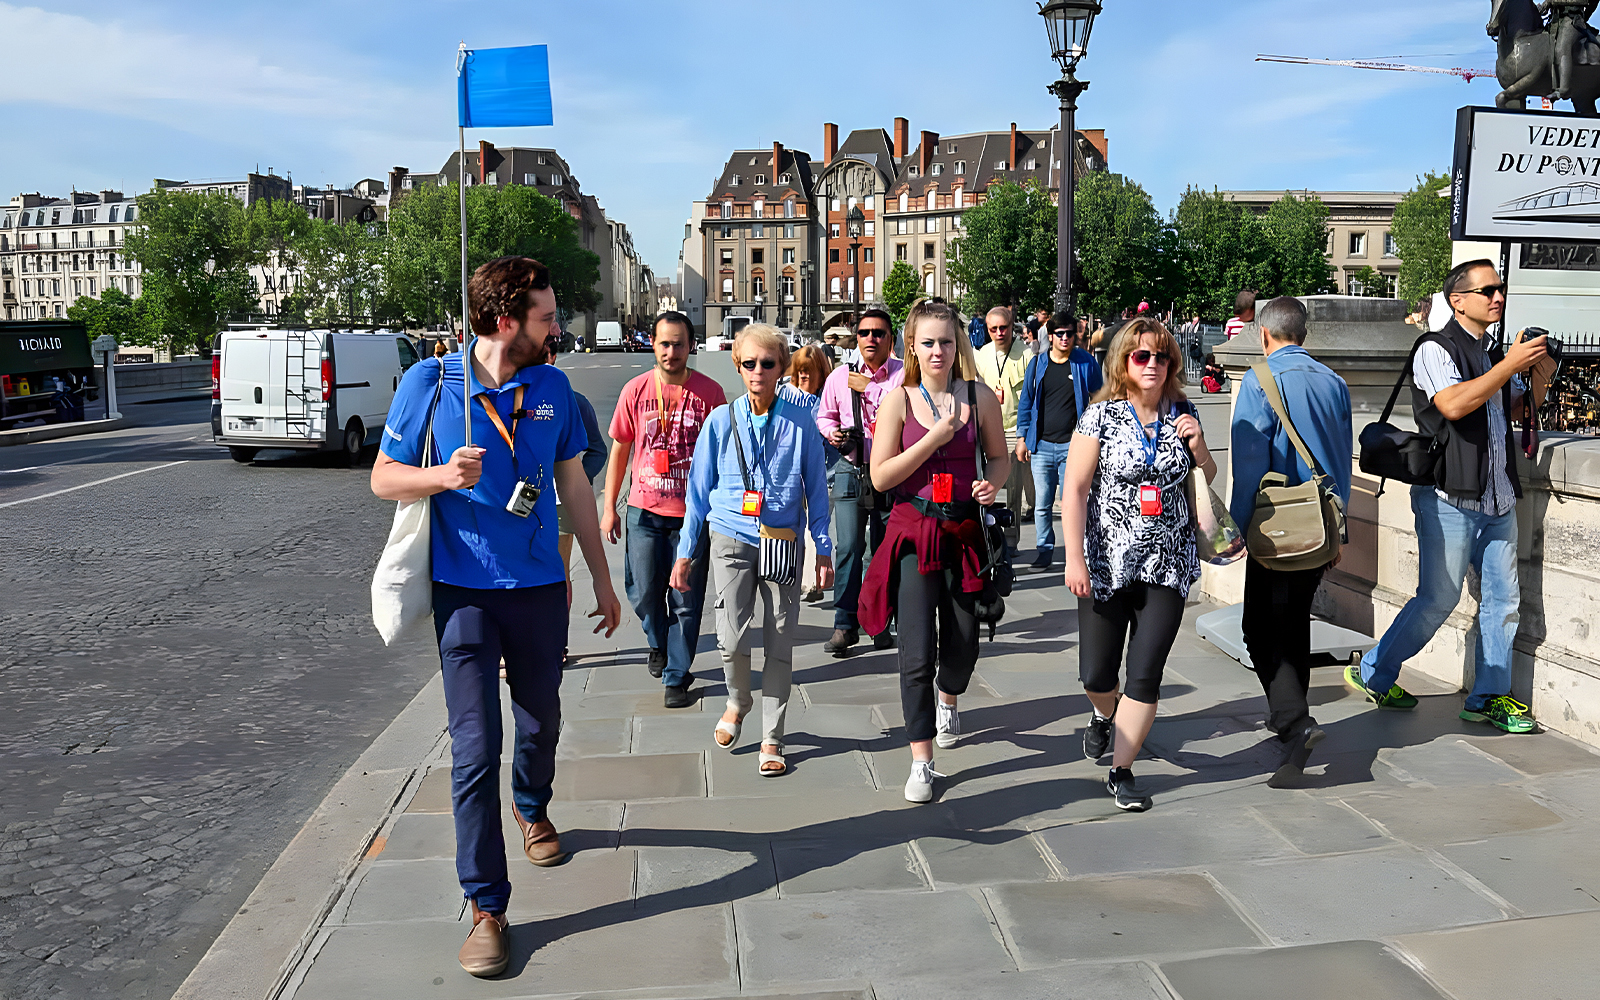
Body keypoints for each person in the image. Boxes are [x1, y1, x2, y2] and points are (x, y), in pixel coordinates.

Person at [371, 256, 622, 978]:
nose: (557, 327)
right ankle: (488, 907)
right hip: (464, 593)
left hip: (541, 586)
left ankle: (532, 802)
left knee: (540, 720)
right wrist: (442, 476)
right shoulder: (433, 381)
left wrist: (602, 581)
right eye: (546, 316)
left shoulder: (554, 387)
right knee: (473, 751)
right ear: (504, 319)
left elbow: (574, 483)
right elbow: (383, 478)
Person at [1349, 260, 1553, 733]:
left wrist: (1539, 371)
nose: (1497, 297)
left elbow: (1519, 405)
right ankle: (1374, 671)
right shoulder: (1434, 349)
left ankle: (1488, 697)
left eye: (1500, 289)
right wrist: (1507, 366)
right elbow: (1455, 404)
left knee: (1504, 603)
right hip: (1449, 498)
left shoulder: (1494, 352)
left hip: (1499, 496)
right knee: (1438, 599)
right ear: (1458, 300)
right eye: (1487, 290)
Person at [1062, 318, 1215, 813]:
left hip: (1168, 562)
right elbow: (1076, 490)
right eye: (1141, 355)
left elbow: (1206, 475)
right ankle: (1104, 716)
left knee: (1145, 674)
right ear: (1123, 363)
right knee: (1095, 674)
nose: (1153, 364)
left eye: (1162, 356)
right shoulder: (1100, 417)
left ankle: (1122, 771)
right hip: (1108, 561)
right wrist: (1074, 557)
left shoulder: (1183, 412)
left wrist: (1198, 445)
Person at [859, 299, 1009, 802]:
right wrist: (933, 440)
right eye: (928, 342)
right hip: (914, 531)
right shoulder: (898, 401)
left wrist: (993, 486)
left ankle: (950, 698)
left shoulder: (979, 397)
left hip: (964, 532)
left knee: (963, 646)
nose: (939, 350)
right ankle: (921, 760)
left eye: (947, 341)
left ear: (959, 344)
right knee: (916, 651)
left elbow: (999, 459)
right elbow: (881, 476)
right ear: (913, 349)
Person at [673, 325, 834, 777]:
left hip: (781, 538)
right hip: (730, 534)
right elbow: (698, 491)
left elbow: (817, 490)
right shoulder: (721, 420)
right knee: (730, 636)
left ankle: (772, 736)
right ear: (737, 365)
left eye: (768, 363)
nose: (758, 371)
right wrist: (685, 551)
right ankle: (739, 699)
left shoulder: (800, 420)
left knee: (780, 642)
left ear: (782, 367)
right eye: (749, 363)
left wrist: (822, 548)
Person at [1228, 297, 1353, 787]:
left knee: (1260, 628)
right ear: (1304, 333)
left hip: (1278, 526)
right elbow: (1343, 459)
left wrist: (1235, 529)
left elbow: (1249, 468)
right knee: (1294, 623)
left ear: (1263, 334)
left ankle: (1295, 720)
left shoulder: (1260, 380)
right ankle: (1289, 719)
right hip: (1319, 523)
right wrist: (1339, 527)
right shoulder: (1334, 382)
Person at [601, 311, 728, 707]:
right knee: (643, 591)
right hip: (643, 510)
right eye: (664, 343)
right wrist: (610, 507)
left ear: (691, 345)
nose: (671, 351)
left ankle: (677, 674)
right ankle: (657, 641)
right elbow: (619, 451)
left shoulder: (711, 393)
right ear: (652, 345)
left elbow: (723, 458)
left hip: (692, 516)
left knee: (687, 600)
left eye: (678, 343)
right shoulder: (634, 391)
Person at [816, 309, 905, 654]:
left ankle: (880, 623)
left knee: (885, 552)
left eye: (879, 333)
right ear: (857, 338)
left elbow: (905, 413)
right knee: (849, 547)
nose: (871, 339)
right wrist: (833, 434)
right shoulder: (840, 376)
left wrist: (869, 390)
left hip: (891, 472)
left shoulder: (902, 377)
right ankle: (844, 623)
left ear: (890, 339)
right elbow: (824, 415)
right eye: (865, 333)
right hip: (850, 468)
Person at [1015, 310, 1104, 570]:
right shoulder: (1037, 364)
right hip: (1041, 445)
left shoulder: (1085, 362)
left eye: (1069, 333)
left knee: (1072, 501)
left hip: (1073, 447)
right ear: (1050, 336)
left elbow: (1100, 399)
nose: (1065, 338)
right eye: (1059, 334)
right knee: (1042, 503)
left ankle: (1075, 551)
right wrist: (1022, 437)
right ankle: (1044, 549)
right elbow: (1026, 402)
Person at [975, 306, 1034, 555]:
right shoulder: (982, 355)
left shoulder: (1027, 355)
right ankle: (985, 538)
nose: (999, 333)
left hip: (1013, 429)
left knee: (1013, 487)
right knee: (983, 485)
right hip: (987, 428)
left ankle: (1010, 540)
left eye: (1004, 328)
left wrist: (1026, 435)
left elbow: (1032, 397)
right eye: (993, 329)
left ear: (1013, 327)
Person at [785, 345, 839, 602]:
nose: (804, 376)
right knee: (802, 529)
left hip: (819, 477)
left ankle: (810, 583)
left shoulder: (824, 403)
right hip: (795, 478)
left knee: (811, 529)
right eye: (800, 371)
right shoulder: (790, 400)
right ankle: (806, 581)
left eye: (810, 371)